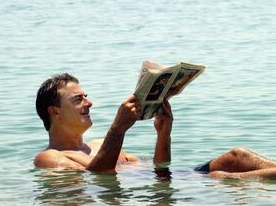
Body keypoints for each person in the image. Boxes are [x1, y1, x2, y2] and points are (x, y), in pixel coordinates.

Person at [34, 73, 173, 172]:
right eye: (78, 99)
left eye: (86, 97)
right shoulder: (48, 157)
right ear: (55, 112)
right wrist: (118, 127)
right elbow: (101, 174)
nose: (89, 103)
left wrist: (163, 135)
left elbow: (159, 168)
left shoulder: (100, 145)